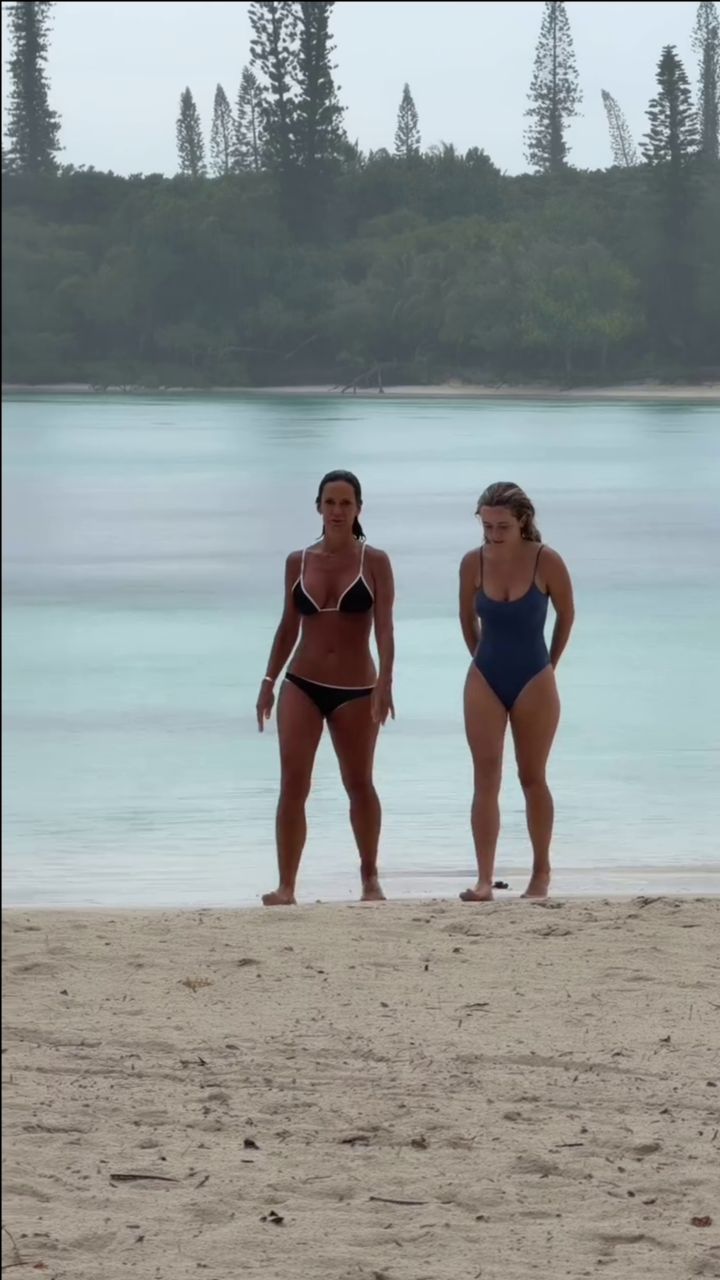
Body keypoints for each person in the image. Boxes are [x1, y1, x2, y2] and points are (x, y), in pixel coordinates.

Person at [256, 470, 395, 906]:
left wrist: (386, 681)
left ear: (358, 509)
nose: (337, 511)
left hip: (357, 689)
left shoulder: (375, 561)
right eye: (330, 502)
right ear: (318, 506)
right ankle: (286, 885)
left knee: (359, 783)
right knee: (293, 785)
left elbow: (385, 628)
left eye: (345, 503)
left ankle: (370, 877)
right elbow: (288, 627)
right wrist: (268, 681)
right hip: (302, 683)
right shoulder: (297, 561)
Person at [458, 482, 575, 902]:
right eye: (487, 526)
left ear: (523, 521)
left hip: (534, 677)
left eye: (502, 526)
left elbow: (566, 615)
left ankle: (540, 873)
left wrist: (549, 666)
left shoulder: (546, 560)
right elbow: (466, 618)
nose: (493, 534)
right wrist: (480, 660)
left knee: (532, 777)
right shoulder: (472, 562)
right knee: (485, 779)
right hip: (484, 677)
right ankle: (484, 880)